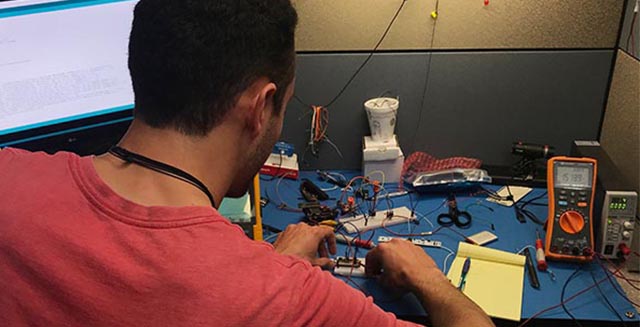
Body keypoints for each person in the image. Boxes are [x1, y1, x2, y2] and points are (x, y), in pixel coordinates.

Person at [0, 0, 494, 326]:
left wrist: (269, 264)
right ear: (261, 108)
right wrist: (428, 279)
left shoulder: (10, 180)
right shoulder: (283, 300)